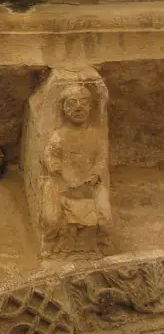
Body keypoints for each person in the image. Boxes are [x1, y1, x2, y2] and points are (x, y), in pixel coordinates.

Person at [42, 84, 110, 246]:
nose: (78, 108)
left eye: (84, 102)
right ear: (63, 109)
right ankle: (54, 245)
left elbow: (101, 160)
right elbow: (52, 159)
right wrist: (62, 176)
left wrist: (93, 176)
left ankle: (97, 244)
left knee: (105, 220)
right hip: (61, 184)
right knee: (51, 220)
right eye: (72, 103)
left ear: (91, 106)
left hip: (91, 185)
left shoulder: (97, 136)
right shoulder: (58, 136)